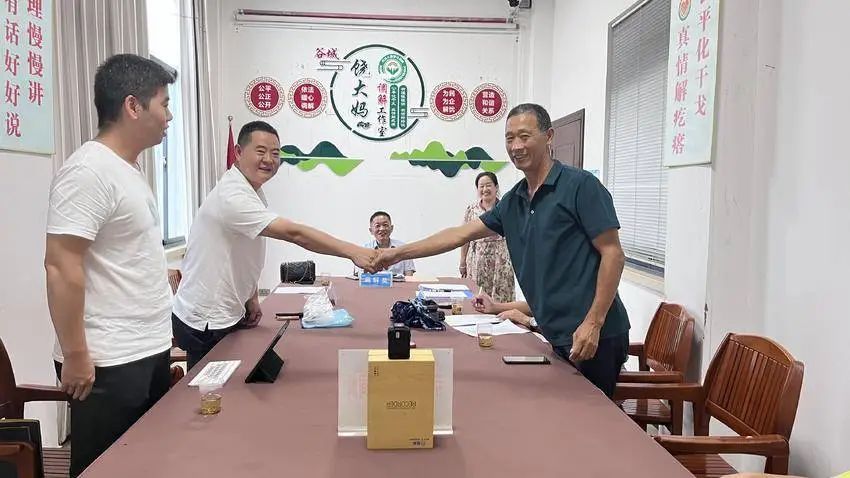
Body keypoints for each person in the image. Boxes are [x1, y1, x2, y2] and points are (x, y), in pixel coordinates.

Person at [376, 103, 630, 399]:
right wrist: (397, 253)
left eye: (524, 136)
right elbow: (460, 234)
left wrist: (593, 322)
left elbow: (613, 254)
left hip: (594, 334)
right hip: (555, 333)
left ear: (549, 136)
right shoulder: (514, 200)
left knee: (592, 420)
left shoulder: (580, 186)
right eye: (509, 138)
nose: (516, 146)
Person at [45, 54, 176, 477]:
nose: (169, 116)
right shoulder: (88, 170)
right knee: (104, 468)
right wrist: (75, 354)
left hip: (146, 347)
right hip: (108, 359)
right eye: (164, 104)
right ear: (133, 106)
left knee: (146, 463)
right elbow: (61, 265)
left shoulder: (128, 169)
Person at [172, 121, 379, 370]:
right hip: (206, 319)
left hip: (227, 310)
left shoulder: (250, 190)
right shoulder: (232, 196)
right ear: (238, 152)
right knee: (209, 387)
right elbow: (295, 234)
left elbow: (241, 250)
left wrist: (251, 297)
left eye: (275, 153)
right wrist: (353, 252)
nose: (269, 160)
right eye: (260, 151)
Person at [460, 172, 515, 302]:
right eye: (481, 186)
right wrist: (462, 261)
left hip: (501, 261)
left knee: (501, 297)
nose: (485, 189)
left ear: (496, 187)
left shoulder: (506, 208)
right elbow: (464, 237)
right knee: (477, 297)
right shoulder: (471, 210)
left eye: (488, 185)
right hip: (477, 261)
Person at [356, 211, 415, 276]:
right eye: (377, 226)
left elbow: (409, 276)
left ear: (391, 228)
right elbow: (360, 276)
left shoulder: (403, 248)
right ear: (371, 231)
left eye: (385, 225)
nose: (382, 229)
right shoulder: (364, 250)